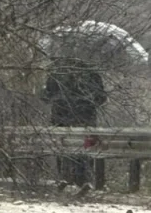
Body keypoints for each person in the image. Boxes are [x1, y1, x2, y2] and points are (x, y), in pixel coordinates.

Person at [41, 58, 106, 186]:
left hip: (61, 118)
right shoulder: (91, 72)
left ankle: (65, 179)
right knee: (85, 150)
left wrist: (60, 101)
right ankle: (83, 180)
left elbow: (46, 96)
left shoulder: (57, 73)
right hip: (85, 119)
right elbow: (101, 97)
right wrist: (86, 103)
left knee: (62, 148)